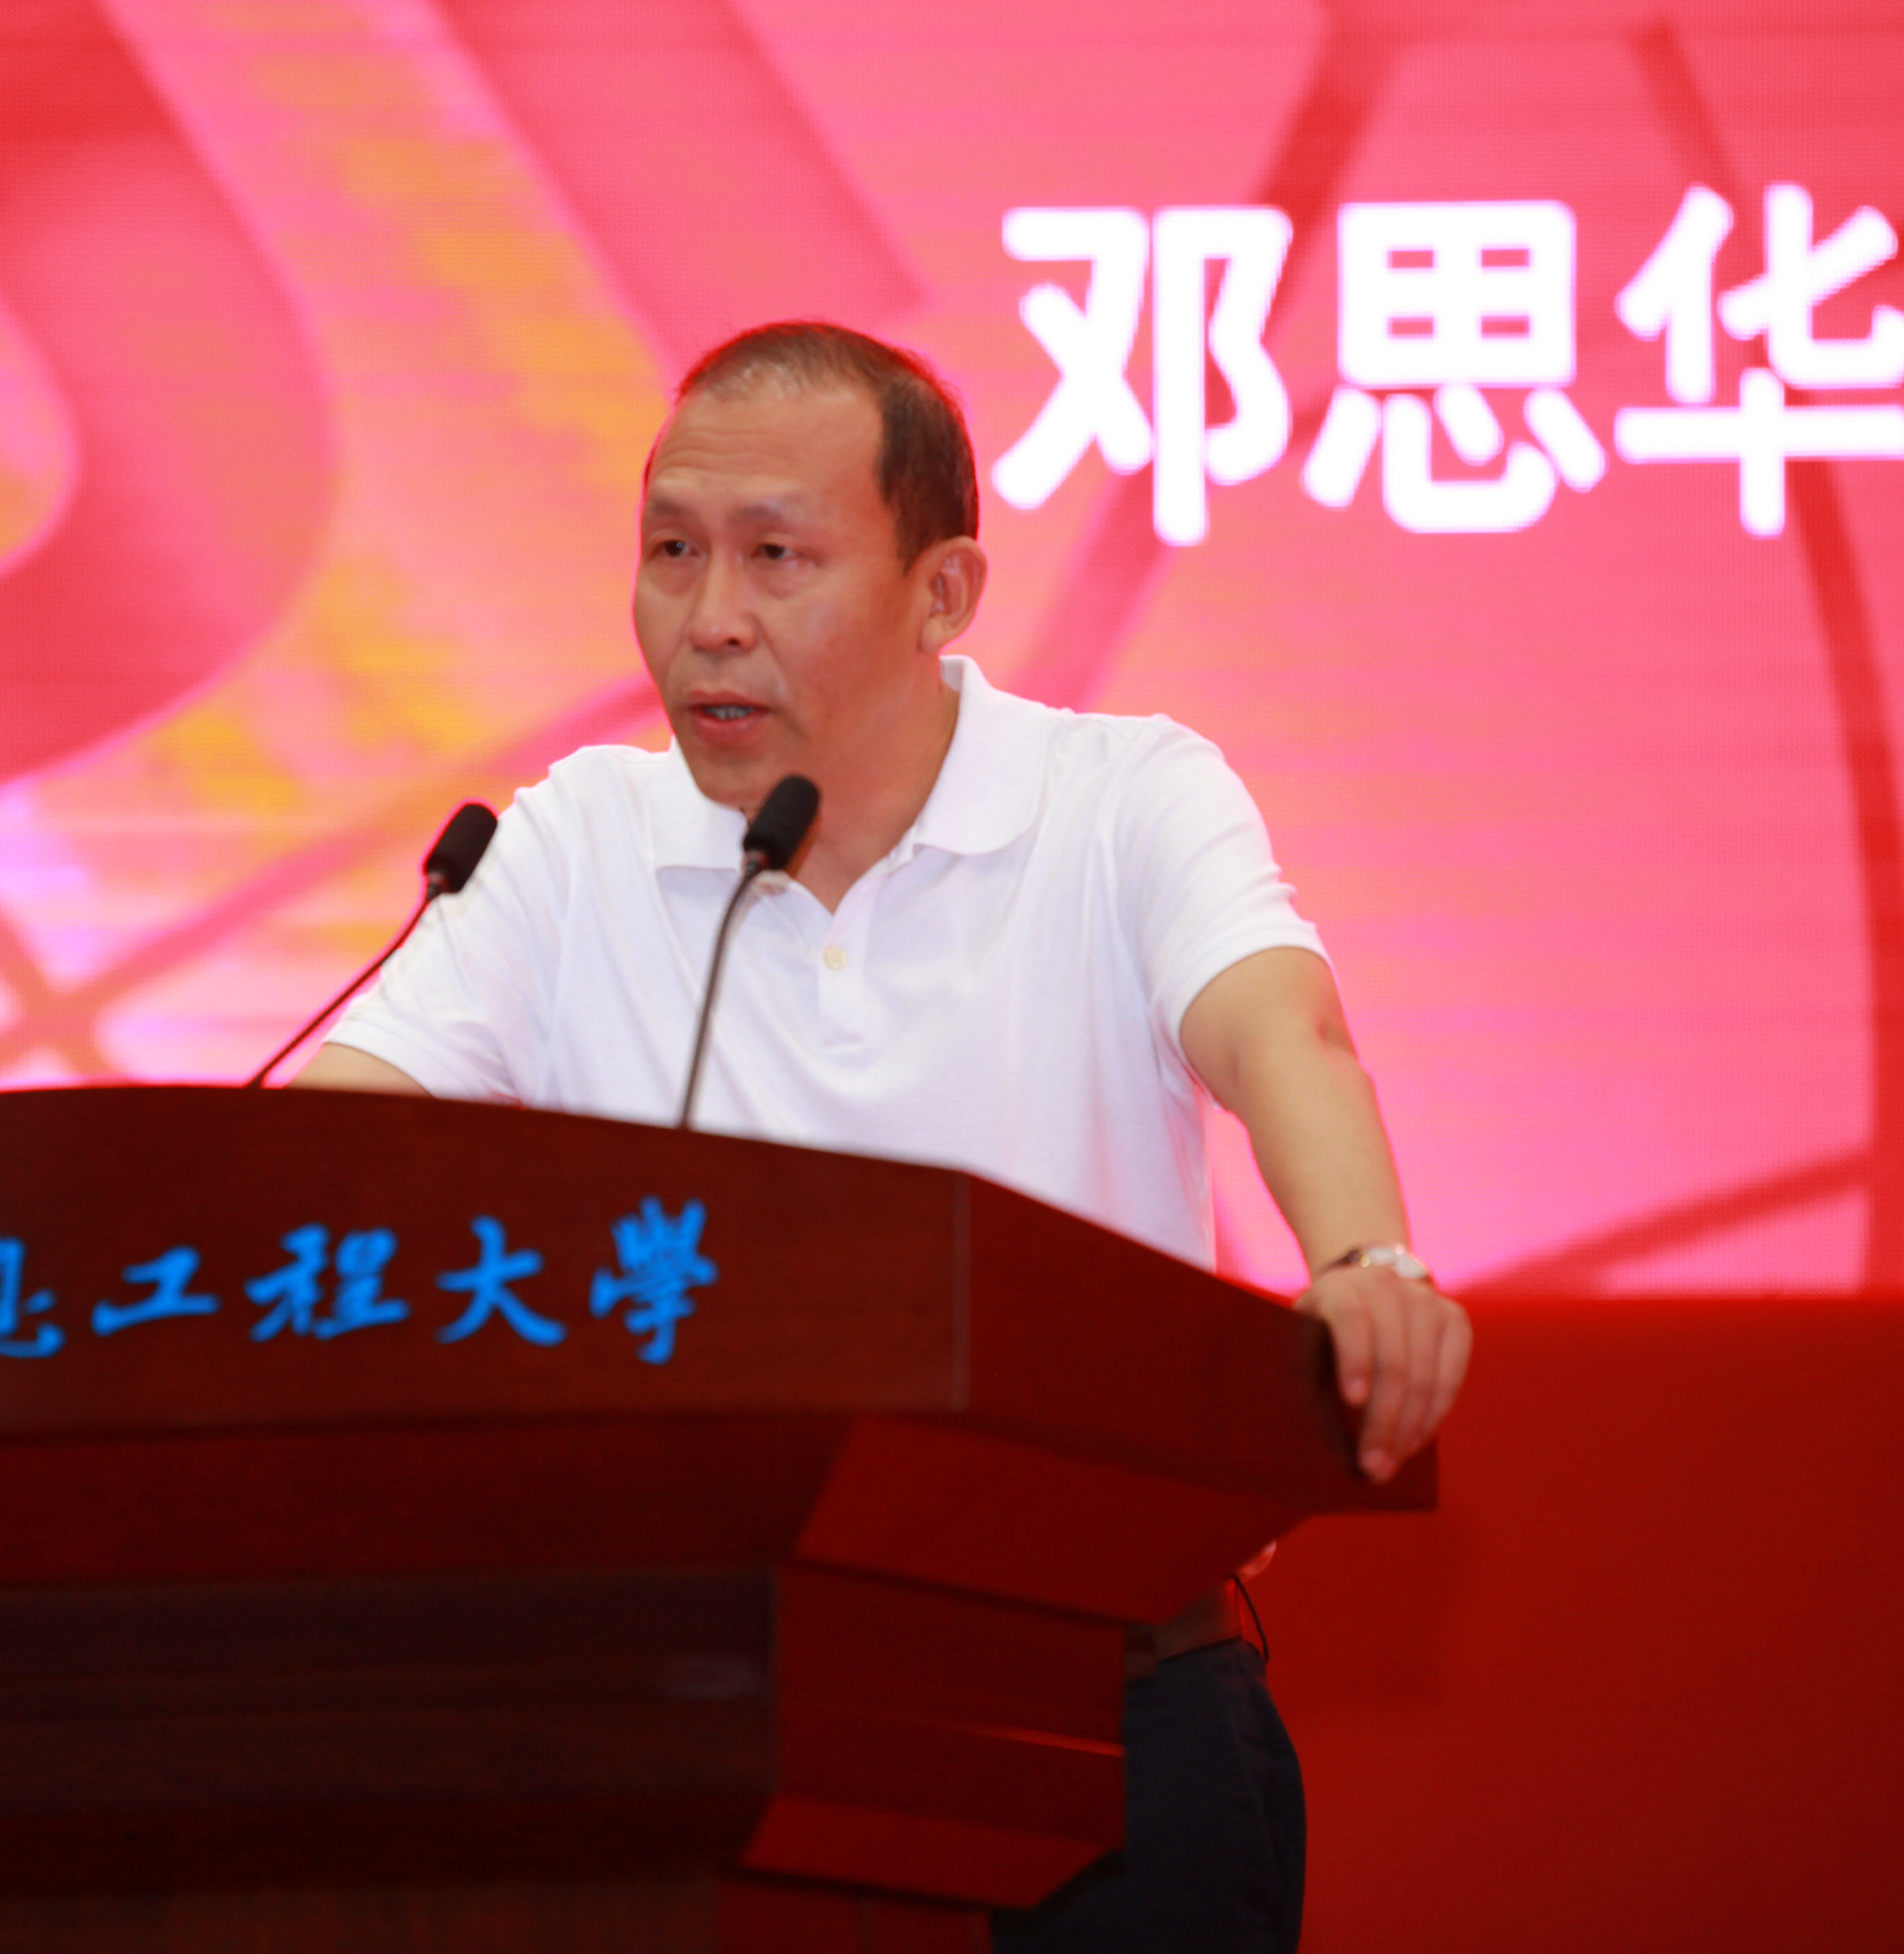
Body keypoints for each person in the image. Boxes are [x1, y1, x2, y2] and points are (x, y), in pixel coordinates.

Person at [295, 321, 1470, 1951]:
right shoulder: (571, 843)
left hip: (1099, 1715)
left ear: (942, 593)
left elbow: (1283, 1032)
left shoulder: (1120, 797)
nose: (711, 617)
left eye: (777, 557)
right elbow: (315, 1168)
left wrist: (1363, 1259)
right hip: (684, 1736)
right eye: (672, 552)